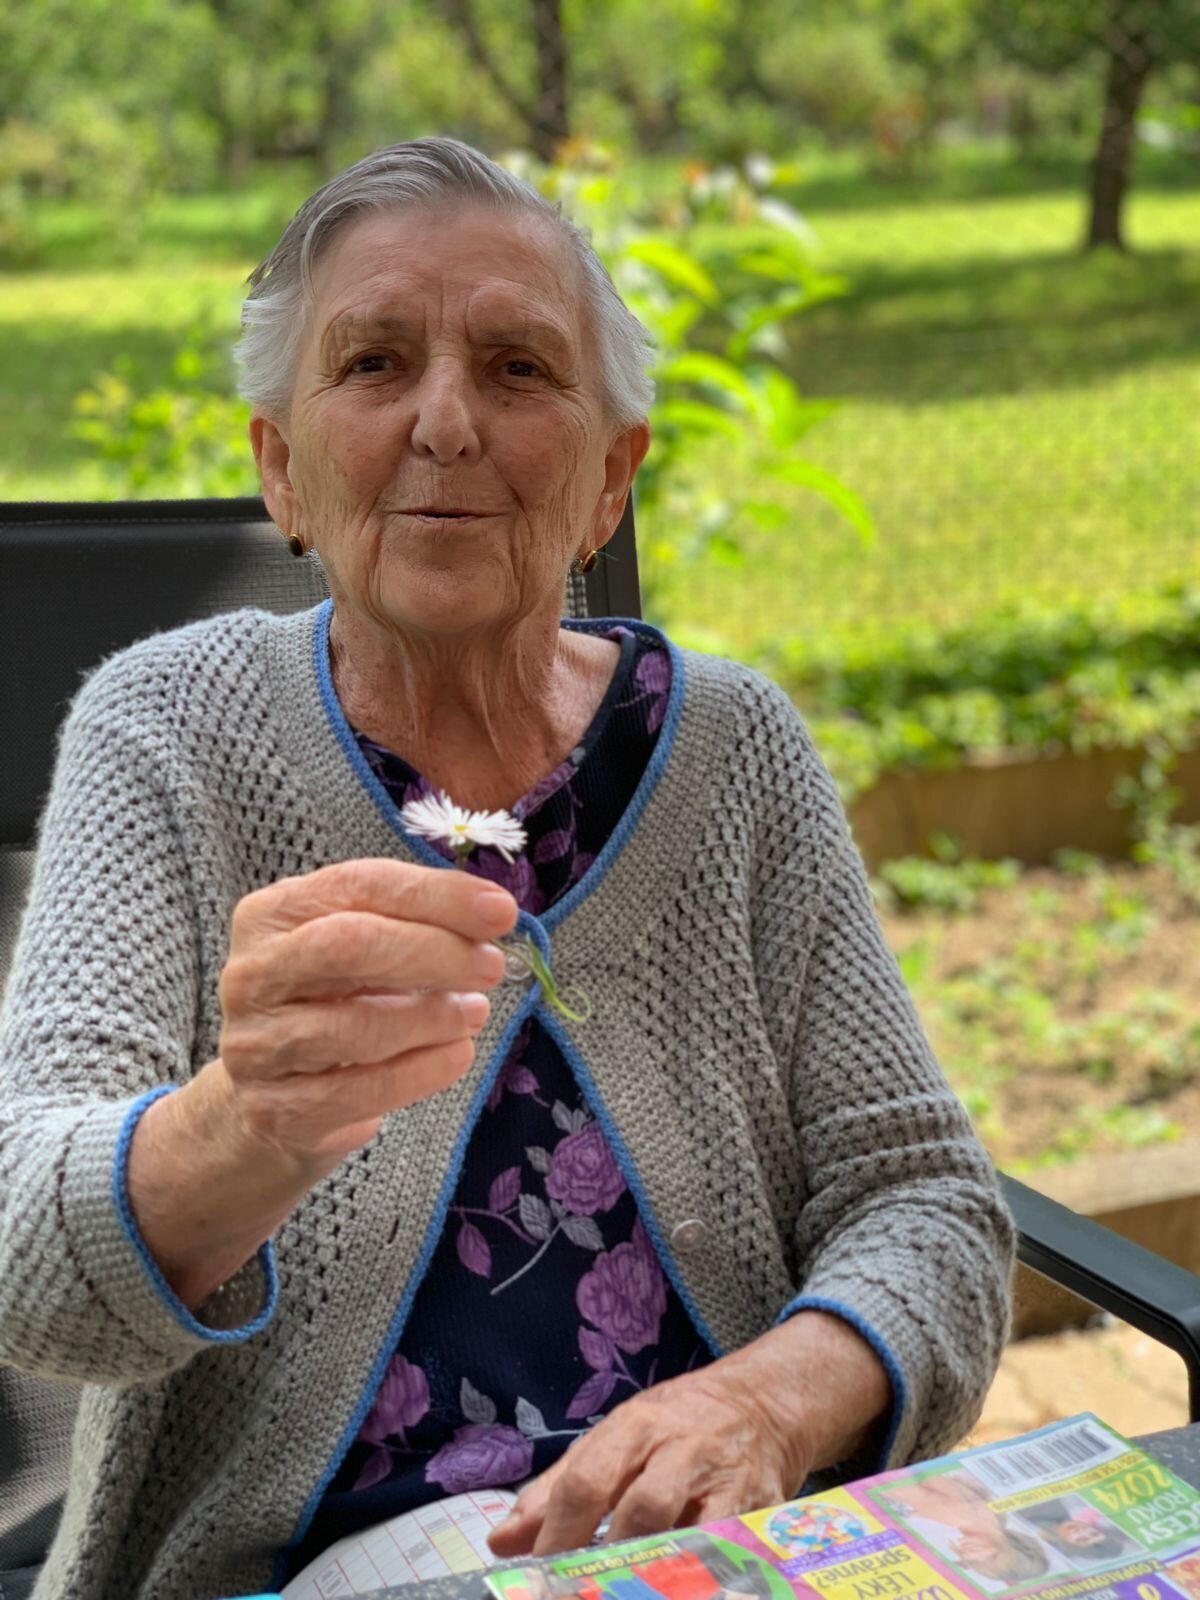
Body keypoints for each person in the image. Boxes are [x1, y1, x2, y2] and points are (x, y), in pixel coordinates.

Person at [0, 138, 1014, 1600]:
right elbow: (29, 1276)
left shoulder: (732, 750)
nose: (446, 423)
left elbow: (927, 1202)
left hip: (741, 1545)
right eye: (373, 364)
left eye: (519, 369)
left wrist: (768, 1401)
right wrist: (245, 1122)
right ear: (280, 468)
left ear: (611, 479)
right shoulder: (165, 735)